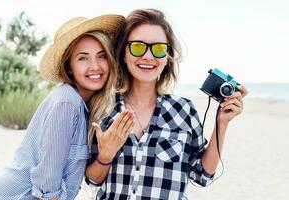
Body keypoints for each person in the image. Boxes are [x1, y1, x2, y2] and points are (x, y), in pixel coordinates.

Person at [85, 8, 248, 200]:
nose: (148, 56)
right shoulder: (103, 108)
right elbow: (92, 180)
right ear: (123, 53)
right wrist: (106, 155)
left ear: (167, 57)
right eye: (138, 47)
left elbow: (202, 174)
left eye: (158, 48)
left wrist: (222, 123)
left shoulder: (183, 110)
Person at [0, 14, 134, 200]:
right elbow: (47, 185)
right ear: (69, 67)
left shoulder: (81, 106)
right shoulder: (67, 102)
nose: (95, 66)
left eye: (102, 56)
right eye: (83, 58)